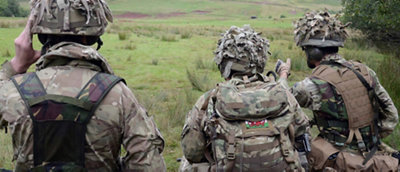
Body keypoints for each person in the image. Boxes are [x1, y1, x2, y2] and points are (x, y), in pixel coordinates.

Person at [0, 0, 166, 171]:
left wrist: (15, 66)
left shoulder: (13, 92)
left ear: (41, 36)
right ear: (93, 36)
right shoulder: (119, 94)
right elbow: (150, 166)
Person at [277, 11, 399, 171]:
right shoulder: (364, 71)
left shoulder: (312, 85)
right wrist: (367, 138)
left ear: (313, 52)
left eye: (306, 49)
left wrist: (283, 74)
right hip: (372, 154)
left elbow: (280, 99)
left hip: (337, 160)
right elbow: (391, 117)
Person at [181, 25, 310, 171]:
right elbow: (303, 133)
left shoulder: (209, 99)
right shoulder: (283, 94)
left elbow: (192, 152)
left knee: (187, 165)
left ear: (223, 64)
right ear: (260, 60)